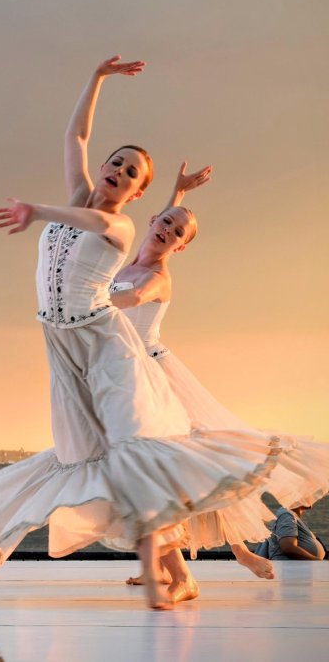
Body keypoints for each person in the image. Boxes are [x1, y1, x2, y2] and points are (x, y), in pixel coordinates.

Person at [0, 56, 284, 610]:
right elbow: (75, 135)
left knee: (134, 453)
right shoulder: (87, 200)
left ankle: (165, 578)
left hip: (108, 344)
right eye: (117, 162)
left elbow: (105, 230)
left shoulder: (120, 223)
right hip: (61, 348)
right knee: (86, 456)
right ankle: (173, 568)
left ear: (138, 195)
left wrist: (37, 210)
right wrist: (96, 78)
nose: (120, 172)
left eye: (133, 173)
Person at [111, 166, 329, 583]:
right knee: (151, 473)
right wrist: (177, 192)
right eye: (166, 222)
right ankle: (159, 562)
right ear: (152, 219)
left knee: (193, 467)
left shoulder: (157, 277)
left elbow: (131, 299)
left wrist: (83, 300)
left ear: (181, 248)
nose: (169, 231)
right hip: (126, 378)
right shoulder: (135, 254)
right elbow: (167, 222)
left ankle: (239, 552)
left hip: (157, 379)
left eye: (178, 234)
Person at [254, 505, 326, 561]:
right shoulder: (286, 515)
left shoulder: (290, 515)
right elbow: (288, 546)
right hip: (289, 570)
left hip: (296, 570)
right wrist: (316, 560)